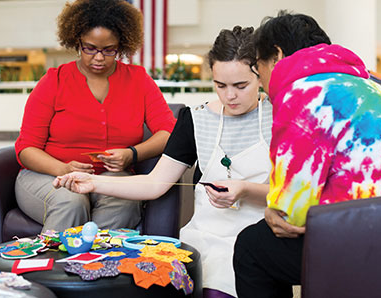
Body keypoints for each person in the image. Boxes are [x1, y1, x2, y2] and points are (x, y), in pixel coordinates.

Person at [54, 26, 273, 298]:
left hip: (263, 235)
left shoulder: (281, 117)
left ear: (260, 76)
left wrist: (246, 190)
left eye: (241, 86)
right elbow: (154, 184)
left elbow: (294, 193)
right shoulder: (195, 119)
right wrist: (93, 182)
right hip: (207, 236)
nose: (229, 96)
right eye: (220, 85)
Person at [233, 10, 381, 298]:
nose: (261, 82)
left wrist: (272, 212)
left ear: (277, 56)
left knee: (251, 247)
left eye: (258, 69)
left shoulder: (301, 94)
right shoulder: (373, 89)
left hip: (357, 239)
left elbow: (291, 215)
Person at [14, 0, 176, 233]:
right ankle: (54, 267)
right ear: (76, 41)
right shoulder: (54, 81)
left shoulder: (138, 80)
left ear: (121, 45)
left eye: (109, 50)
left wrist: (132, 154)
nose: (98, 57)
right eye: (90, 48)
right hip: (48, 175)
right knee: (71, 201)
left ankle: (98, 266)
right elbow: (26, 148)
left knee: (124, 202)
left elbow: (169, 132)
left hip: (112, 178)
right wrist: (63, 169)